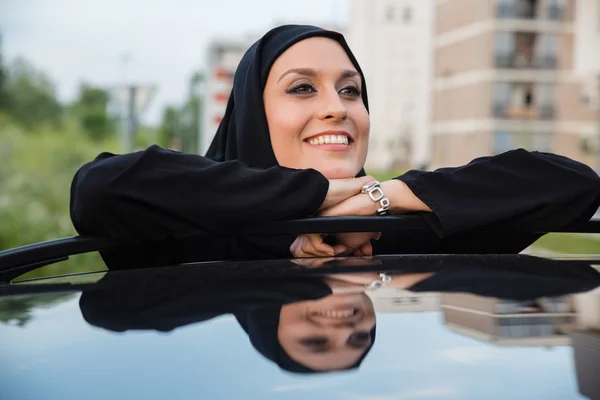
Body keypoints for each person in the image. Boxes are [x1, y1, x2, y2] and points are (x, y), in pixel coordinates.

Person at [70, 25, 600, 270]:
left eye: (351, 90)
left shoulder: (399, 234)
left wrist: (378, 200)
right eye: (303, 87)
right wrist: (309, 198)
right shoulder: (185, 234)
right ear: (254, 112)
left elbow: (572, 183)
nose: (338, 107)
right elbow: (101, 188)